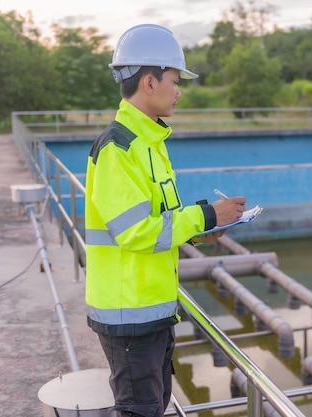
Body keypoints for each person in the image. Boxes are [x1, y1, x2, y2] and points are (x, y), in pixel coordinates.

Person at [84, 24, 246, 417]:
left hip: (153, 310)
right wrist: (207, 213)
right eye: (175, 80)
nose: (179, 91)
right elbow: (135, 232)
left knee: (155, 406)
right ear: (150, 81)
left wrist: (200, 234)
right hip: (130, 318)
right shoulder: (119, 149)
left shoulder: (150, 145)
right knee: (140, 411)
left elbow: (161, 221)